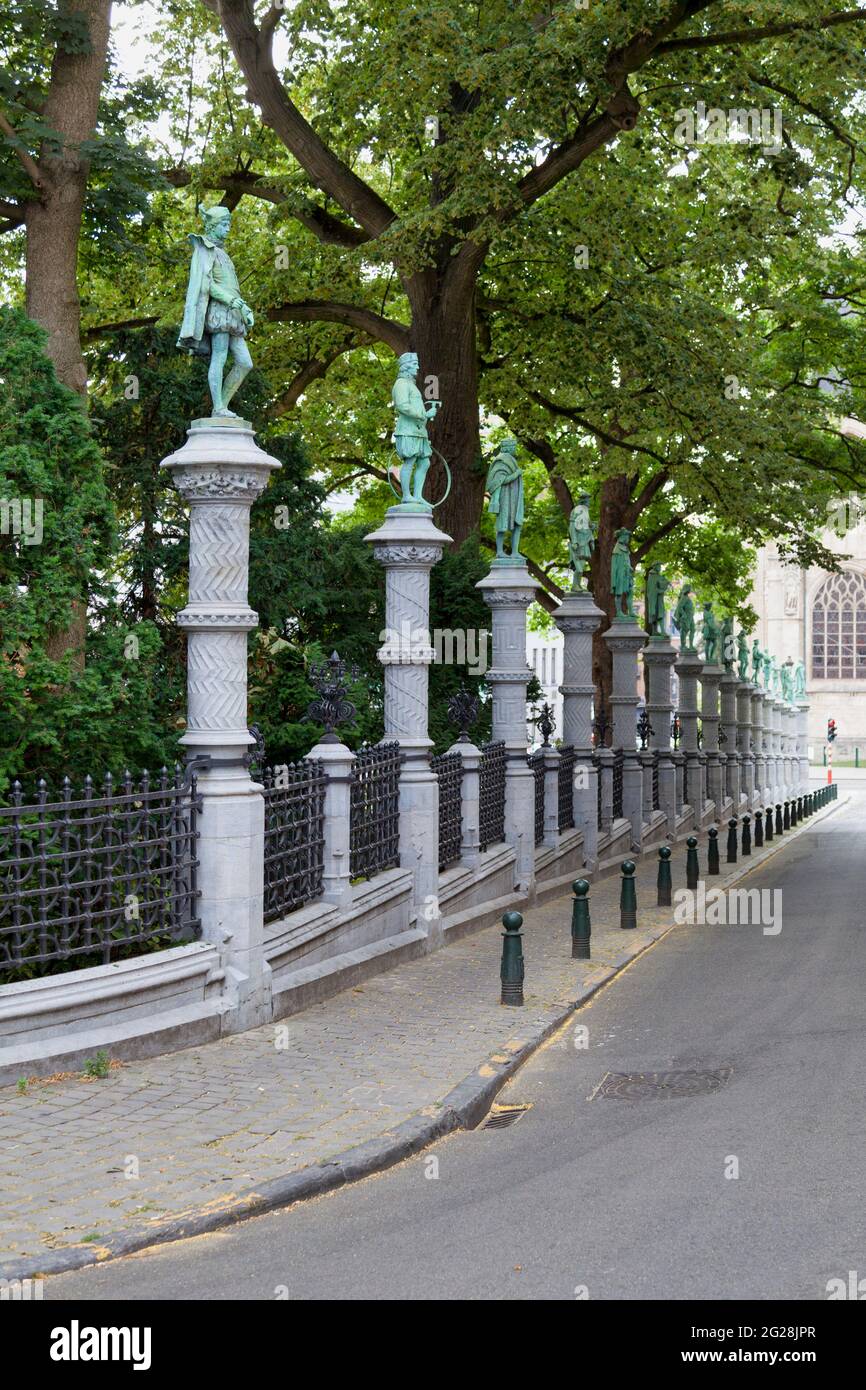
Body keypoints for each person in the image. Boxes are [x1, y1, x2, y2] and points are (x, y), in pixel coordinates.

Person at [177, 204, 254, 416]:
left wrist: (245, 309)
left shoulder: (223, 254)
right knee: (219, 357)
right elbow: (205, 284)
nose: (228, 228)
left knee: (245, 363)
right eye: (224, 224)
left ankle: (221, 407)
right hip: (220, 311)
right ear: (212, 226)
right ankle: (219, 408)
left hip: (234, 312)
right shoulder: (204, 249)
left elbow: (231, 286)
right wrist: (230, 300)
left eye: (229, 224)